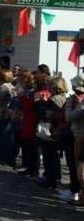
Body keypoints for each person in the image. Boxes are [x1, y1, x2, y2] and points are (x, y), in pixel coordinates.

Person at [66, 74, 84, 206]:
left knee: (80, 170)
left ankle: (79, 193)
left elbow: (70, 116)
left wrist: (68, 105)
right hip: (77, 134)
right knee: (77, 168)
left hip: (80, 137)